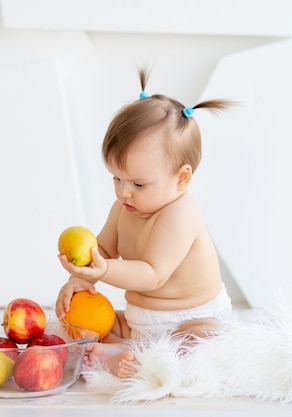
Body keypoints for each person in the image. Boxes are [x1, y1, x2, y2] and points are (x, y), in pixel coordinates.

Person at [55, 68, 233, 378]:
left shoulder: (181, 214)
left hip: (190, 319)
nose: (123, 192)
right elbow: (104, 252)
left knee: (205, 342)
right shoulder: (124, 206)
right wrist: (80, 280)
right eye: (116, 178)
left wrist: (105, 271)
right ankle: (120, 349)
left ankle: (124, 354)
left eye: (138, 184)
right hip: (139, 321)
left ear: (181, 179)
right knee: (78, 322)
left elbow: (153, 275)